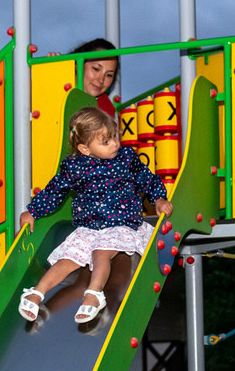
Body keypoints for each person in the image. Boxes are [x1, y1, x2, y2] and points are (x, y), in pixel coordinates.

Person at [18, 106, 172, 323]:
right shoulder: (74, 166)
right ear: (84, 148)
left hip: (121, 224)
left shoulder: (126, 158)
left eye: (115, 137)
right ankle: (36, 293)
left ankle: (94, 294)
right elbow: (55, 191)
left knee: (101, 254)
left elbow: (148, 179)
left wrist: (158, 198)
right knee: (67, 259)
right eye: (106, 141)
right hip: (89, 228)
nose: (116, 144)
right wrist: (32, 211)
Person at [51, 38, 119, 119]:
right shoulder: (56, 84)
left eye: (109, 75)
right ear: (77, 65)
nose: (101, 80)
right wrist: (50, 78)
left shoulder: (106, 110)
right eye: (96, 69)